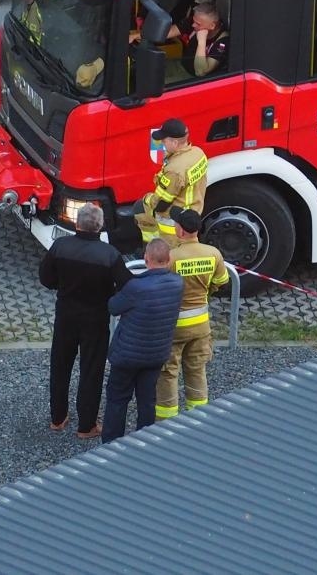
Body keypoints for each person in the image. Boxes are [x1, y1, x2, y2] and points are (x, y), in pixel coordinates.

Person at [39, 203, 131, 439]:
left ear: (77, 223)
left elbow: (46, 278)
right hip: (96, 318)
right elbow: (126, 287)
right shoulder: (110, 255)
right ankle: (86, 425)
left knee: (60, 366)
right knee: (91, 370)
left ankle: (58, 418)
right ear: (100, 226)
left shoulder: (60, 246)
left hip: (66, 315)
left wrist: (63, 286)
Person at [101, 238, 185, 443]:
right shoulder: (178, 283)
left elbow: (113, 307)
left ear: (146, 258)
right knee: (147, 401)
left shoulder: (136, 287)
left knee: (118, 400)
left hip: (127, 356)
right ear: (169, 259)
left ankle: (112, 444)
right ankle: (144, 443)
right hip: (156, 355)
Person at [155, 208, 230, 420]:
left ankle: (166, 422)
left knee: (168, 373)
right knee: (196, 370)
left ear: (180, 230)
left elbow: (162, 287)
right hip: (201, 326)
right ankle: (198, 420)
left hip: (174, 327)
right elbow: (221, 282)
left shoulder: (172, 257)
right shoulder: (213, 253)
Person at [134, 117, 208, 246]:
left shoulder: (174, 170)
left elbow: (161, 204)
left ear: (174, 142)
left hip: (173, 221)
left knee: (139, 209)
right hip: (193, 210)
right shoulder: (198, 153)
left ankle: (154, 249)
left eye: (164, 140)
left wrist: (147, 199)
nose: (162, 143)